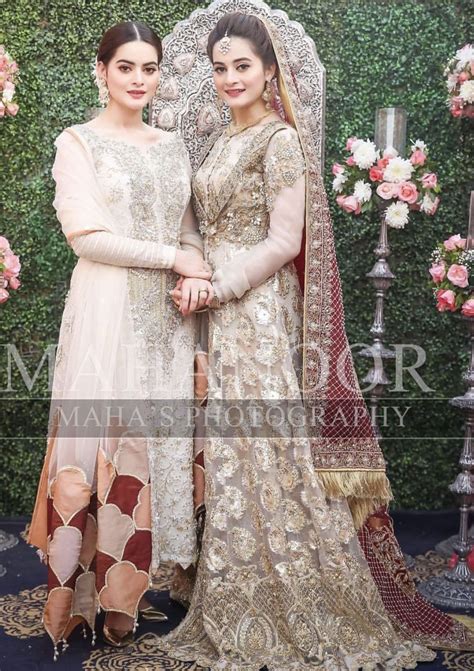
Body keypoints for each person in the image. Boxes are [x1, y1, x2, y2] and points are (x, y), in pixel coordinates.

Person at [158, 11, 473, 668]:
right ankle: (237, 601)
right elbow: (196, 223)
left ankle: (300, 600)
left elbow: (282, 241)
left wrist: (219, 284)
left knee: (270, 455)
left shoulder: (278, 142)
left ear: (270, 70)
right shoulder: (217, 141)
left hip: (264, 314)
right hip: (220, 311)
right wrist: (193, 269)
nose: (229, 78)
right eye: (220, 68)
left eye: (242, 65)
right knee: (232, 455)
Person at [27, 21, 211, 657]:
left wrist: (195, 274)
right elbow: (87, 237)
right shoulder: (76, 142)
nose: (138, 80)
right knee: (109, 439)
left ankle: (137, 588)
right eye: (126, 67)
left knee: (159, 438)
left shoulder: (172, 146)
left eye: (149, 69)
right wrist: (175, 258)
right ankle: (96, 597)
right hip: (107, 315)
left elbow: (190, 230)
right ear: (101, 71)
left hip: (168, 318)